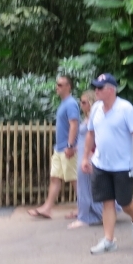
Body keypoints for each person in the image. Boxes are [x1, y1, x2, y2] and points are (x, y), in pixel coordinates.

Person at [81, 74, 133, 254]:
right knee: (107, 202)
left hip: (122, 166)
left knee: (125, 203)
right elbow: (90, 134)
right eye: (96, 87)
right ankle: (109, 240)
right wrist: (86, 157)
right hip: (101, 164)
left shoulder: (125, 108)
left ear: (111, 90)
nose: (96, 91)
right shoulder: (96, 109)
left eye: (100, 88)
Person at [28, 74, 79, 219]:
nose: (57, 87)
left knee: (74, 180)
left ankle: (84, 209)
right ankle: (47, 209)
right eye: (57, 84)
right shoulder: (63, 103)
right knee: (55, 178)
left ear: (68, 87)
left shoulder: (70, 104)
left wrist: (70, 145)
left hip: (67, 148)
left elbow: (74, 124)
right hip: (59, 148)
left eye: (61, 85)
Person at [67, 89, 111, 229]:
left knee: (86, 187)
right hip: (83, 154)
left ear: (91, 102)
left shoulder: (96, 117)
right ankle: (92, 214)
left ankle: (86, 217)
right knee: (85, 187)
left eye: (84, 102)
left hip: (89, 157)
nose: (81, 104)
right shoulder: (88, 117)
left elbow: (97, 136)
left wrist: (91, 154)